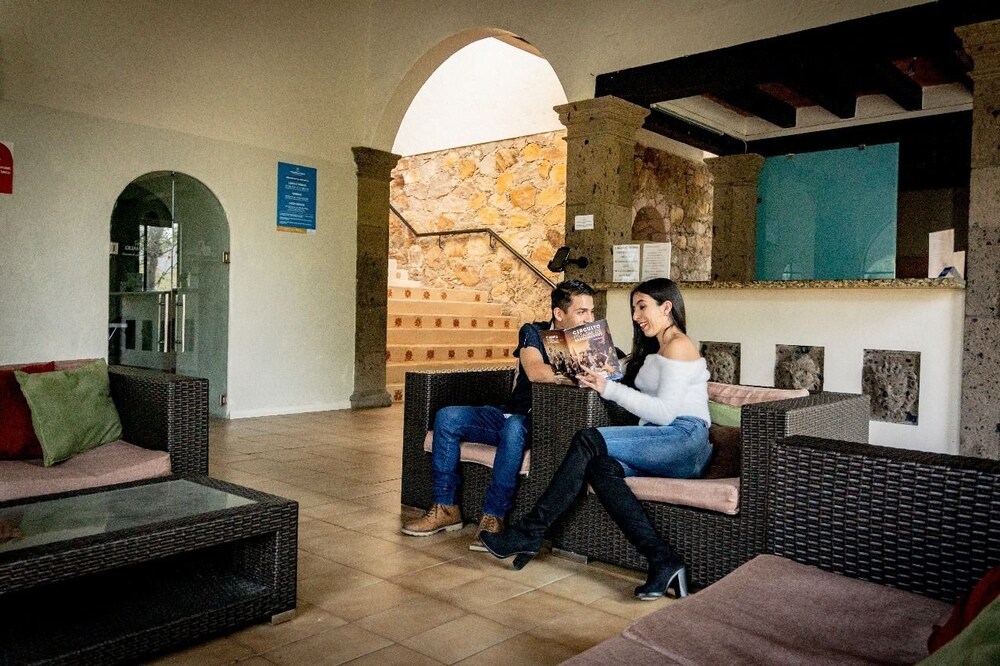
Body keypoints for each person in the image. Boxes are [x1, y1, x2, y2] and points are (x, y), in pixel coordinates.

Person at [481, 277, 711, 600]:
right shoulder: (656, 348)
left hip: (684, 438)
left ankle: (529, 532)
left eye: (642, 307)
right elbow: (631, 392)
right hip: (661, 442)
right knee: (600, 468)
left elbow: (663, 413)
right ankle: (664, 560)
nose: (636, 316)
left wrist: (607, 387)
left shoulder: (678, 345)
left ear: (666, 307)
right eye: (633, 309)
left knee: (588, 440)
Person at [401, 279, 597, 550]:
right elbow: (535, 371)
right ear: (559, 313)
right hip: (509, 414)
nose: (589, 319)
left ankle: (494, 516)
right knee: (447, 418)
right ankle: (446, 507)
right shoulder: (533, 332)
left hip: (538, 423)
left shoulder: (589, 341)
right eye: (582, 312)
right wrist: (580, 373)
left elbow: (609, 373)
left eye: (591, 312)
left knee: (514, 428)